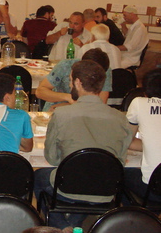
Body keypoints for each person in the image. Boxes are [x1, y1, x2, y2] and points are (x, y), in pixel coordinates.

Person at [34, 60, 133, 229]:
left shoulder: (61, 114)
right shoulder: (120, 118)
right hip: (107, 189)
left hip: (68, 187)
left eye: (71, 80)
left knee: (39, 176)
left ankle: (62, 228)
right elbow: (121, 160)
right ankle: (73, 226)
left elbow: (52, 158)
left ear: (78, 83)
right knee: (86, 183)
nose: (69, 84)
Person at [125, 68, 161, 203]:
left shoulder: (139, 103)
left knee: (120, 174)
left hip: (154, 188)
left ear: (145, 91)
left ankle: (136, 213)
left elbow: (127, 140)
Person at [36, 48, 113, 112]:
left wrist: (67, 105)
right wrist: (67, 97)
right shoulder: (65, 66)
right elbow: (40, 91)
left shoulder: (104, 71)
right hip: (54, 110)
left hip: (86, 112)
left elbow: (100, 104)